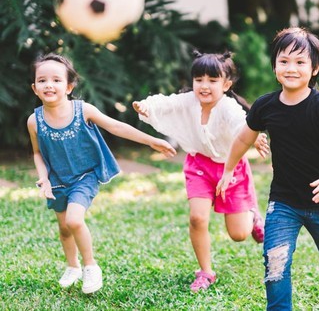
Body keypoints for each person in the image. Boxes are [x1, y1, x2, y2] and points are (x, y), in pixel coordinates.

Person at [217, 27, 319, 310]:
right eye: (284, 61)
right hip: (283, 201)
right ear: (275, 66)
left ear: (314, 68)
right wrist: (228, 169)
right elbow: (244, 138)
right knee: (275, 259)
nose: (291, 68)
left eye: (300, 62)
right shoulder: (265, 106)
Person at [27, 53, 177, 294]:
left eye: (56, 80)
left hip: (84, 176)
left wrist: (151, 141)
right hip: (56, 180)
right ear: (35, 88)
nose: (49, 85)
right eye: (42, 80)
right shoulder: (34, 121)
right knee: (64, 229)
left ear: (69, 86)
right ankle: (73, 266)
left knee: (74, 220)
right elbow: (37, 153)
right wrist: (43, 177)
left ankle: (90, 266)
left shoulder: (82, 110)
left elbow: (116, 126)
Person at [133, 51, 266, 292]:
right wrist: (146, 106)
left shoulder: (228, 107)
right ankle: (206, 271)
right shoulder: (188, 102)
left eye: (213, 80)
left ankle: (253, 215)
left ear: (226, 84)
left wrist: (254, 139)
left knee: (239, 234)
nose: (204, 86)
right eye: (199, 79)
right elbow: (165, 102)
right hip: (199, 166)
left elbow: (241, 124)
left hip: (230, 167)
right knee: (197, 218)